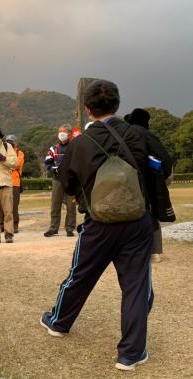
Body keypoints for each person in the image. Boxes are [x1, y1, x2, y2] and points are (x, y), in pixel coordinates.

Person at [40, 79, 153, 371]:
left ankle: (59, 321)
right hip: (136, 220)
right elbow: (160, 166)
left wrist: (83, 195)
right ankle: (130, 353)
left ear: (88, 110)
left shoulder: (80, 143)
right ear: (117, 104)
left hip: (98, 221)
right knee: (136, 286)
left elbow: (65, 179)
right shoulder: (137, 134)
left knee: (80, 275)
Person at [124, 108, 173, 264]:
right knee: (152, 213)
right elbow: (164, 159)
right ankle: (155, 252)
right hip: (152, 180)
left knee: (132, 214)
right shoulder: (148, 135)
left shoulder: (126, 134)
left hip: (132, 181)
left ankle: (132, 250)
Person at [43, 124, 77, 237]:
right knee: (55, 204)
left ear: (70, 134)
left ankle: (70, 228)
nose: (61, 133)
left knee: (71, 206)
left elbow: (79, 162)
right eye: (59, 131)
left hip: (71, 180)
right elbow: (48, 162)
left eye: (64, 131)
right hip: (57, 179)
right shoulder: (54, 148)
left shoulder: (75, 147)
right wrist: (53, 169)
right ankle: (53, 228)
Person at [0, 135, 25, 233]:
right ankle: (1, 225)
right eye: (8, 141)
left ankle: (15, 225)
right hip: (3, 181)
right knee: (1, 205)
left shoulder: (19, 153)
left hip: (15, 182)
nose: (9, 143)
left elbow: (17, 164)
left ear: (15, 143)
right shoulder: (1, 152)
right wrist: (9, 164)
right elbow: (0, 165)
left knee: (14, 206)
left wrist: (6, 163)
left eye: (11, 142)